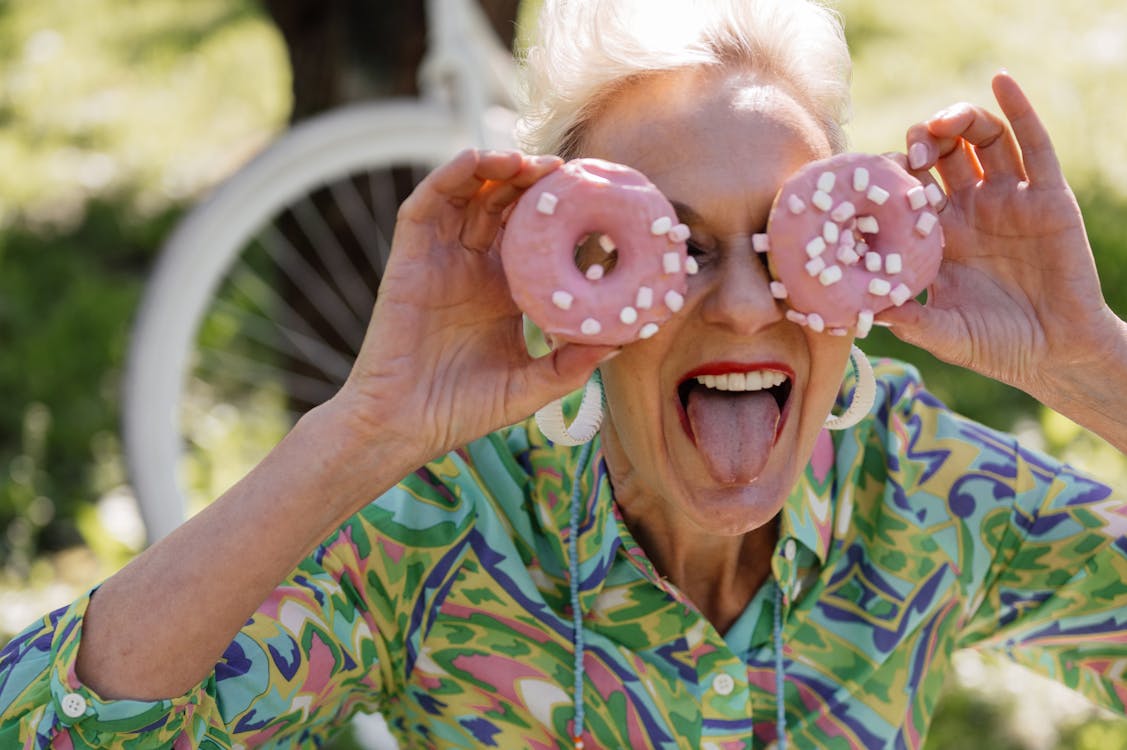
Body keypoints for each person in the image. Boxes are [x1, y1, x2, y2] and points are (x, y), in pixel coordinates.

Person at [3, 0, 1127, 747]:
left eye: (786, 246)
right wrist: (365, 431)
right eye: (667, 247)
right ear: (568, 278)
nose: (739, 302)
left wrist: (1086, 361)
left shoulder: (920, 494)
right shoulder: (447, 527)